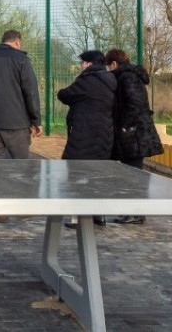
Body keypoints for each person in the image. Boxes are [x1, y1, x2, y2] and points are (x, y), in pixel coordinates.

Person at [0, 29, 42, 223]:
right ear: (17, 42)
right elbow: (31, 93)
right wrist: (36, 120)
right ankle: (22, 208)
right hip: (17, 123)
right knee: (21, 166)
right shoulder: (21, 61)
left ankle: (0, 210)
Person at [56, 49, 117, 227]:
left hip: (84, 133)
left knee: (77, 172)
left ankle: (78, 217)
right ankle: (99, 215)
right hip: (105, 133)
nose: (81, 66)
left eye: (82, 62)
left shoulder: (87, 80)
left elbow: (65, 94)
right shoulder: (111, 79)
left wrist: (61, 91)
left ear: (89, 64)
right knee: (98, 174)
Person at [105, 48, 164, 225]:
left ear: (114, 64)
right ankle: (134, 212)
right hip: (136, 131)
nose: (109, 70)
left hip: (134, 134)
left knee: (133, 173)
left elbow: (133, 102)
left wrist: (125, 126)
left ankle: (136, 213)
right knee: (132, 172)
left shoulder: (126, 78)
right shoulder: (130, 76)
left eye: (109, 66)